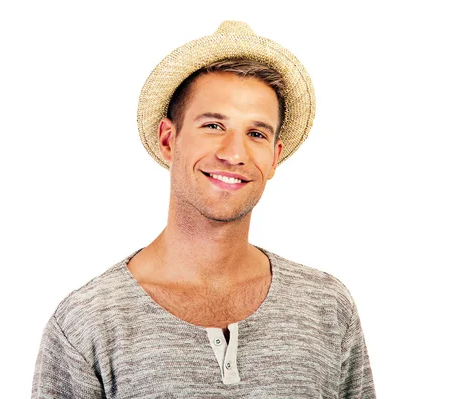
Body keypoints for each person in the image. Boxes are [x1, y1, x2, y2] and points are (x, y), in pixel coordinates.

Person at [31, 20, 376, 398]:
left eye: (256, 134)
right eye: (213, 125)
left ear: (274, 157)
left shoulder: (327, 307)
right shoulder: (88, 324)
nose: (234, 153)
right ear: (168, 139)